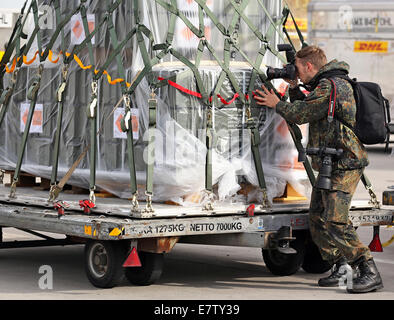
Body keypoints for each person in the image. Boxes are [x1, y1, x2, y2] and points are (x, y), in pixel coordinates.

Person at [254, 45, 383, 294]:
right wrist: (293, 87)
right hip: (331, 163)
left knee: (335, 220)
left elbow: (301, 114)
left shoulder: (331, 86)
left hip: (345, 163)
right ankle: (341, 265)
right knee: (317, 218)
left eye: (300, 69)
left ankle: (367, 269)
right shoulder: (326, 85)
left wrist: (276, 103)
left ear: (310, 66)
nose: (299, 74)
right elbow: (307, 106)